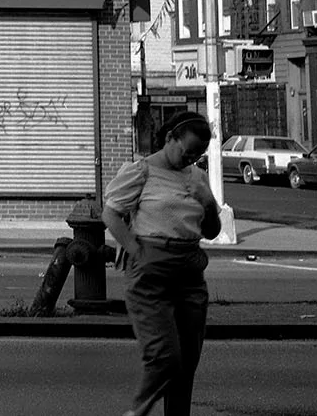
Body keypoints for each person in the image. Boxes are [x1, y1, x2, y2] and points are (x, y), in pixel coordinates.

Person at [102, 110, 223, 416]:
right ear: (170, 138)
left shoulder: (197, 177)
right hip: (151, 273)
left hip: (190, 272)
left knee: (187, 361)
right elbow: (111, 214)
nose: (192, 159)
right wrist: (135, 249)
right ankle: (138, 410)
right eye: (188, 150)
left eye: (198, 154)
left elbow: (212, 231)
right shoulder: (141, 171)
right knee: (164, 356)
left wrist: (208, 202)